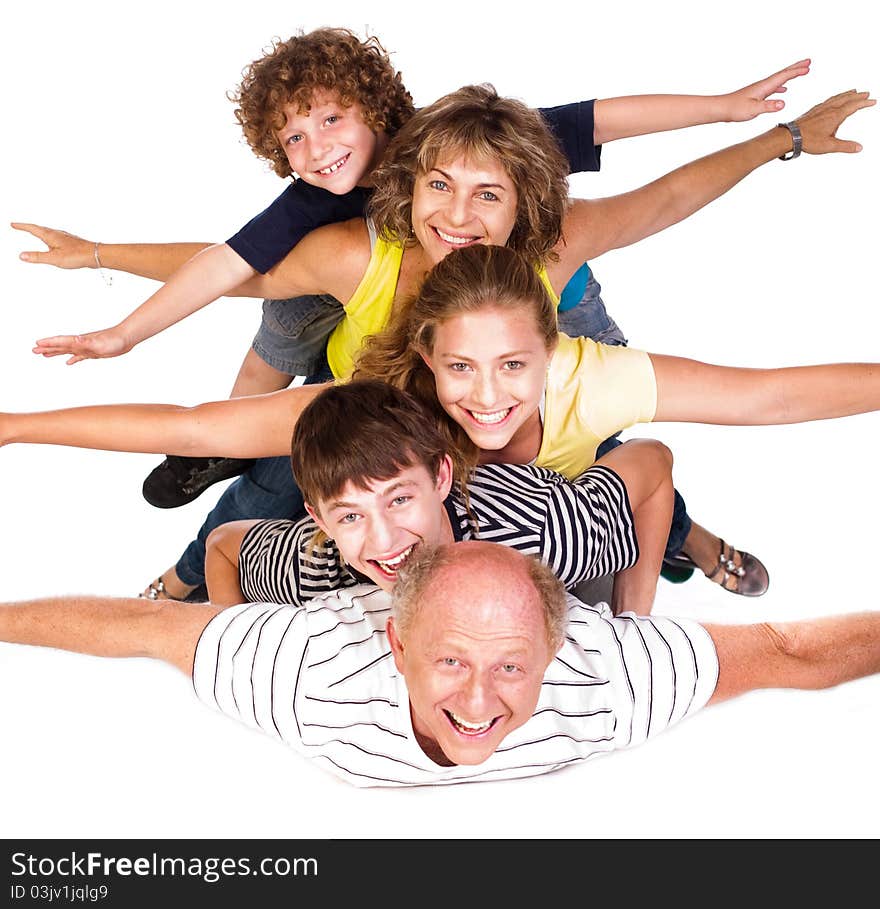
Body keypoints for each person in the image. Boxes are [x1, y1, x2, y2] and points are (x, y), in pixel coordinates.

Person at [10, 83, 874, 600]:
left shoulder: (575, 352)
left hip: (546, 448)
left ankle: (685, 539)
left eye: (487, 197)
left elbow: (764, 382)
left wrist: (776, 137)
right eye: (438, 187)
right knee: (262, 490)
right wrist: (90, 270)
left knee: (620, 480)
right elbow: (224, 294)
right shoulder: (376, 342)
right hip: (373, 434)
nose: (458, 216)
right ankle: (184, 577)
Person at [14, 36, 808, 510]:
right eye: (293, 137)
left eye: (331, 119)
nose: (317, 146)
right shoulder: (320, 217)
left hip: (552, 299)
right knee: (287, 324)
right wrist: (105, 286)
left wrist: (735, 110)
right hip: (372, 328)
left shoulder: (463, 147)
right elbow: (226, 264)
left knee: (597, 429)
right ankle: (234, 495)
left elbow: (605, 130)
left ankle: (675, 528)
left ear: (378, 109)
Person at [3, 539, 879, 787]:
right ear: (396, 643)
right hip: (304, 563)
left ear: (557, 646)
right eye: (452, 659)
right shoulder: (307, 673)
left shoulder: (609, 675)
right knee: (233, 544)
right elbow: (135, 626)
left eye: (511, 666)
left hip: (541, 524)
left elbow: (789, 650)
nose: (477, 700)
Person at [203, 379, 671, 616]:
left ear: (441, 477)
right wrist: (241, 641)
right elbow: (223, 545)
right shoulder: (318, 567)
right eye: (349, 516)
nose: (383, 539)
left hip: (567, 570)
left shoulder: (545, 535)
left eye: (399, 500)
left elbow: (650, 461)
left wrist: (635, 626)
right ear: (320, 522)